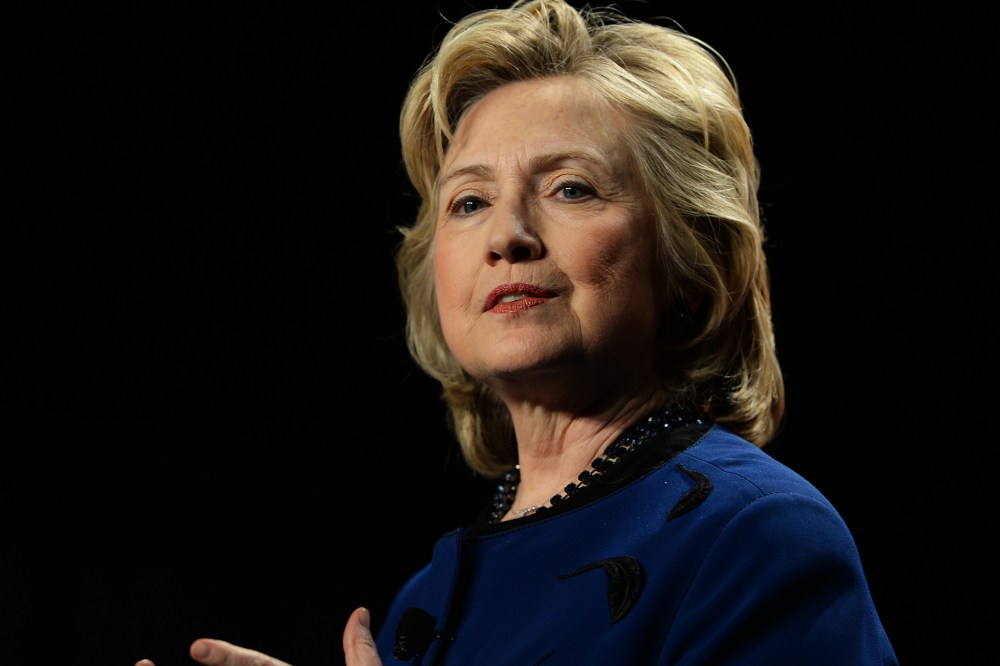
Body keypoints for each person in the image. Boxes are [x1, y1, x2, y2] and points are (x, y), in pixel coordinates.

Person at [136, 0, 898, 663]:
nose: (508, 236)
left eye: (571, 188)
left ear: (692, 260)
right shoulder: (424, 601)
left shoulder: (758, 538)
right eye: (469, 202)